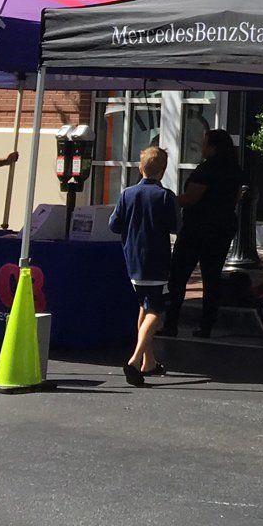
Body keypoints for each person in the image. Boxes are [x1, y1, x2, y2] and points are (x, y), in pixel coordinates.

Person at [107, 145, 179, 385]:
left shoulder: (127, 194)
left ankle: (149, 361)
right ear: (164, 170)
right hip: (156, 261)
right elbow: (176, 227)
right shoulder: (165, 196)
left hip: (133, 260)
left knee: (143, 305)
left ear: (140, 168)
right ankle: (135, 359)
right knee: (156, 313)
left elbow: (114, 225)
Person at [164, 129, 243, 338]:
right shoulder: (234, 169)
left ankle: (171, 322)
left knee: (179, 274)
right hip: (223, 226)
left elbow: (192, 198)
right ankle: (207, 325)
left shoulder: (207, 170)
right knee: (212, 277)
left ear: (214, 147)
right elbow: (235, 198)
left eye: (206, 143)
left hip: (198, 227)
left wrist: (169, 200)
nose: (202, 147)